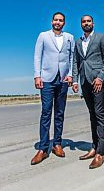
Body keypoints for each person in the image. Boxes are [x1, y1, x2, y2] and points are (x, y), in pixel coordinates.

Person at [31, 12, 75, 165]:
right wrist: (37, 76)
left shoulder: (69, 37)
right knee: (46, 112)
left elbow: (71, 58)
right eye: (56, 20)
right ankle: (43, 148)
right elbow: (37, 56)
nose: (58, 22)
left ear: (64, 23)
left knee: (60, 113)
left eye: (61, 20)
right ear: (51, 21)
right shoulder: (43, 36)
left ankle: (57, 144)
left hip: (63, 79)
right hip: (47, 79)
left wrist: (70, 76)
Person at [72, 15, 104, 169]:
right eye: (83, 21)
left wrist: (101, 78)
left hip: (97, 82)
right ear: (81, 24)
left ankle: (100, 153)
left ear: (93, 23)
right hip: (84, 82)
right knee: (92, 115)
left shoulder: (101, 37)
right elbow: (76, 62)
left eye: (88, 21)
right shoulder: (78, 42)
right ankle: (94, 147)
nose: (86, 23)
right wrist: (75, 80)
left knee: (99, 114)